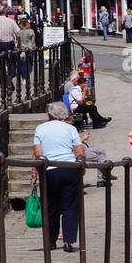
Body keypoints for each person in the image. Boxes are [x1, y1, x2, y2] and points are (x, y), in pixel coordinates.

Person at [32, 101, 86, 253]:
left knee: (50, 207)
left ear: (50, 114)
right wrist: (81, 166)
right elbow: (80, 152)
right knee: (70, 206)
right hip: (69, 168)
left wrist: (35, 173)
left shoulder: (40, 129)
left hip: (50, 169)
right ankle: (68, 241)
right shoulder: (70, 128)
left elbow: (38, 153)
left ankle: (50, 241)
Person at [0, 7, 20, 89]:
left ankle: (4, 81)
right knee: (12, 62)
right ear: (5, 13)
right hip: (10, 44)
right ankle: (10, 76)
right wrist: (18, 45)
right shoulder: (12, 22)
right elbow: (18, 35)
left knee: (0, 64)